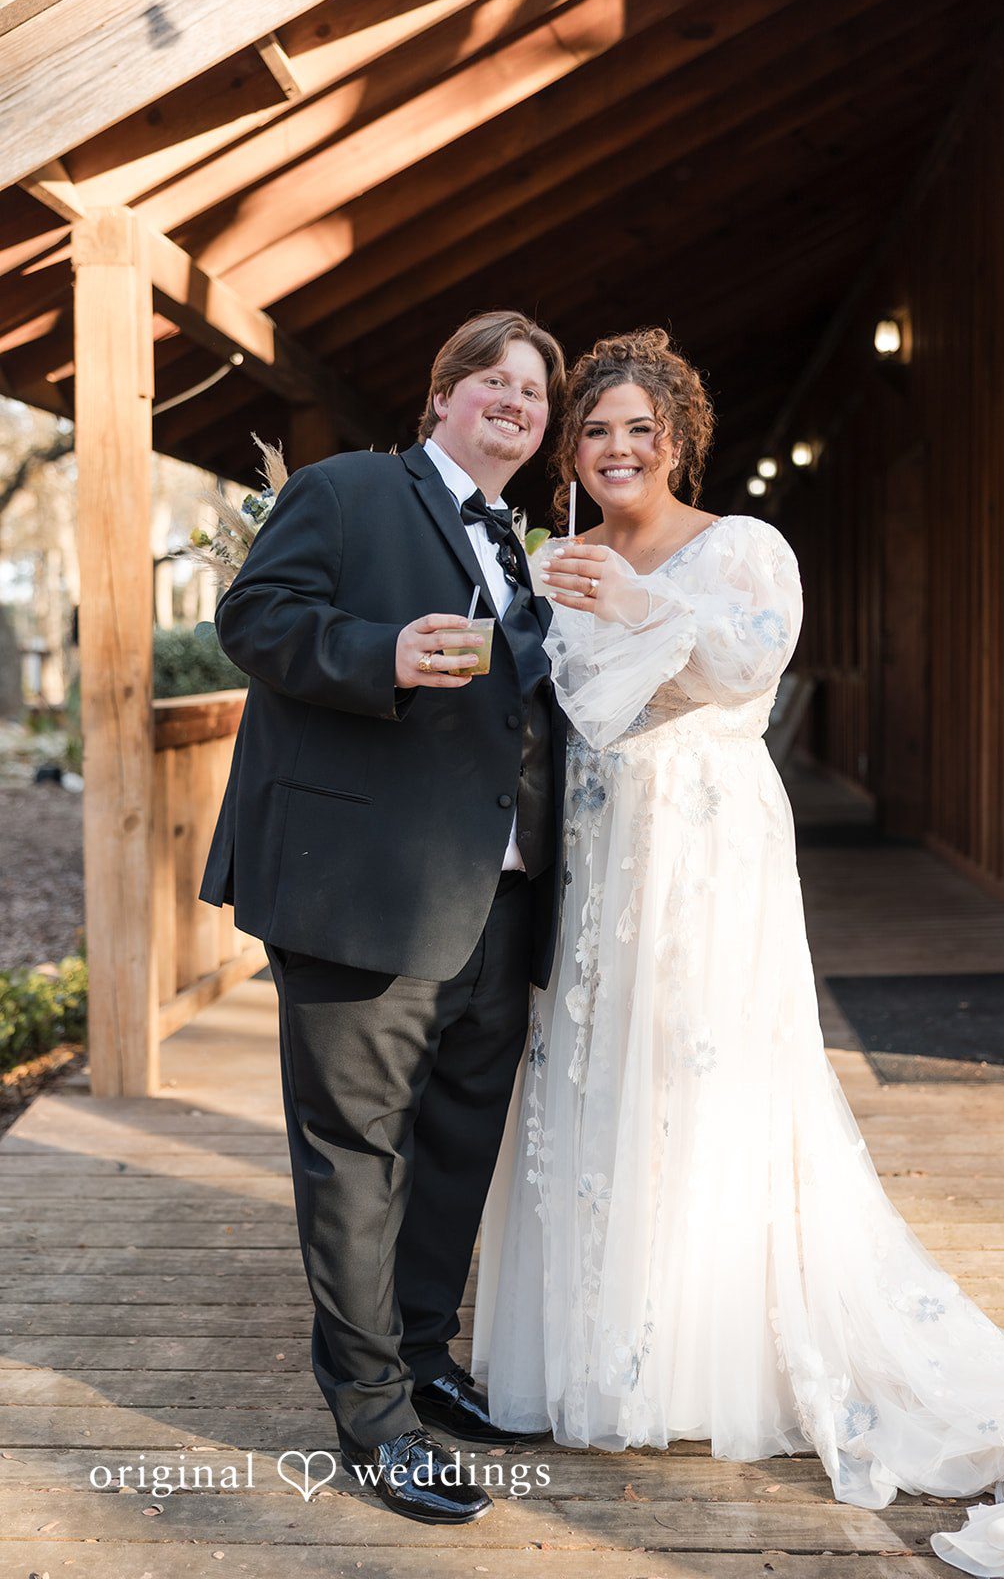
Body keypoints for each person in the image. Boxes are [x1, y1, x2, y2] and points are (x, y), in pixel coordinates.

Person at [473, 328, 1004, 1577]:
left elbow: (746, 658)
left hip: (703, 849)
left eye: (638, 429)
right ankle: (613, 1350)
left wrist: (637, 606)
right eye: (594, 431)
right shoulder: (561, 556)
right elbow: (555, 707)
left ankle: (713, 1346)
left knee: (703, 1075)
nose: (616, 449)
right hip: (600, 853)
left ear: (677, 439)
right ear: (569, 452)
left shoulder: (742, 547)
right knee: (599, 1072)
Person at [200, 310, 568, 1526]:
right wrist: (381, 652)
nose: (515, 400)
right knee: (356, 1157)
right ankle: (371, 1420)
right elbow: (254, 618)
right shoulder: (347, 491)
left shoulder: (520, 545)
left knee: (457, 1148)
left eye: (533, 390)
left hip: (498, 900)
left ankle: (420, 1356)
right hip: (361, 895)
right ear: (442, 395)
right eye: (493, 380)